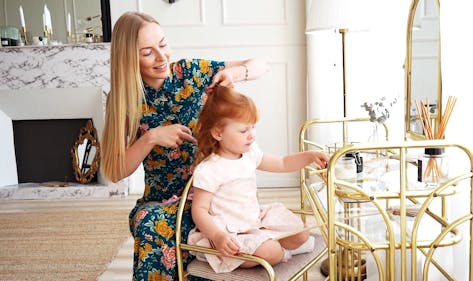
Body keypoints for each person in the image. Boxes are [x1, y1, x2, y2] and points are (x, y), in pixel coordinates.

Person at [100, 12, 268, 281]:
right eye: (147, 52)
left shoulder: (191, 72)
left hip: (213, 197)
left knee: (188, 225)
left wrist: (235, 72)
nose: (161, 57)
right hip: (162, 199)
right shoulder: (124, 102)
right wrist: (150, 138)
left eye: (163, 44)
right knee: (149, 221)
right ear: (128, 58)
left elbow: (259, 65)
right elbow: (115, 171)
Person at [188, 86, 329, 273]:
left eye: (253, 127)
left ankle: (272, 246)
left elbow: (282, 163)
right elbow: (199, 210)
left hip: (255, 221)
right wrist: (218, 236)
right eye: (243, 130)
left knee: (301, 234)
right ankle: (276, 252)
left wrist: (309, 156)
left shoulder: (249, 153)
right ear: (218, 133)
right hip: (231, 234)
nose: (251, 135)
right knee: (271, 251)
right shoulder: (209, 169)